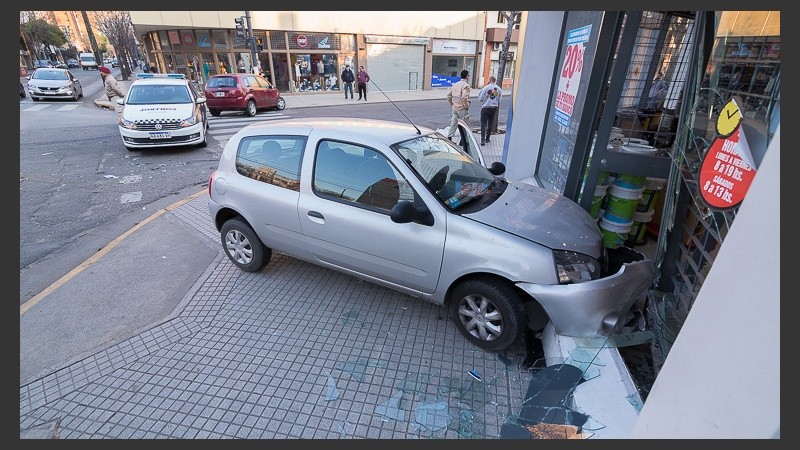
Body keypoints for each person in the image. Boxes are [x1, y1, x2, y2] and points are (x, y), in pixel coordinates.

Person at [445, 69, 471, 139]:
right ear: (466, 76)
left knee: (453, 124)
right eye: (468, 75)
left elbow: (448, 96)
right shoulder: (466, 86)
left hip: (455, 108)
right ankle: (464, 141)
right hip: (462, 109)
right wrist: (466, 106)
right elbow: (464, 98)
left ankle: (449, 138)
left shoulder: (455, 84)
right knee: (465, 126)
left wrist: (452, 104)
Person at [477, 75, 502, 145]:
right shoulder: (499, 89)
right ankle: (487, 138)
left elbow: (480, 99)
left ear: (489, 80)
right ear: (495, 81)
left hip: (485, 107)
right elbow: (499, 100)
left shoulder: (485, 88)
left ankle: (482, 140)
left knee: (483, 124)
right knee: (490, 123)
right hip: (494, 108)